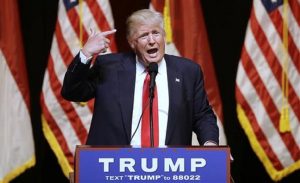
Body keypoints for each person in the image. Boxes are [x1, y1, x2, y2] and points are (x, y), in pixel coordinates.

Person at [61, 9, 219, 147]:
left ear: (163, 36)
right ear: (132, 43)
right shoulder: (109, 67)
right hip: (116, 170)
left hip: (171, 168)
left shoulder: (188, 71)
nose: (152, 41)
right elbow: (72, 92)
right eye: (144, 35)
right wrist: (86, 53)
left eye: (156, 33)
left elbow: (202, 115)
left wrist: (210, 144)